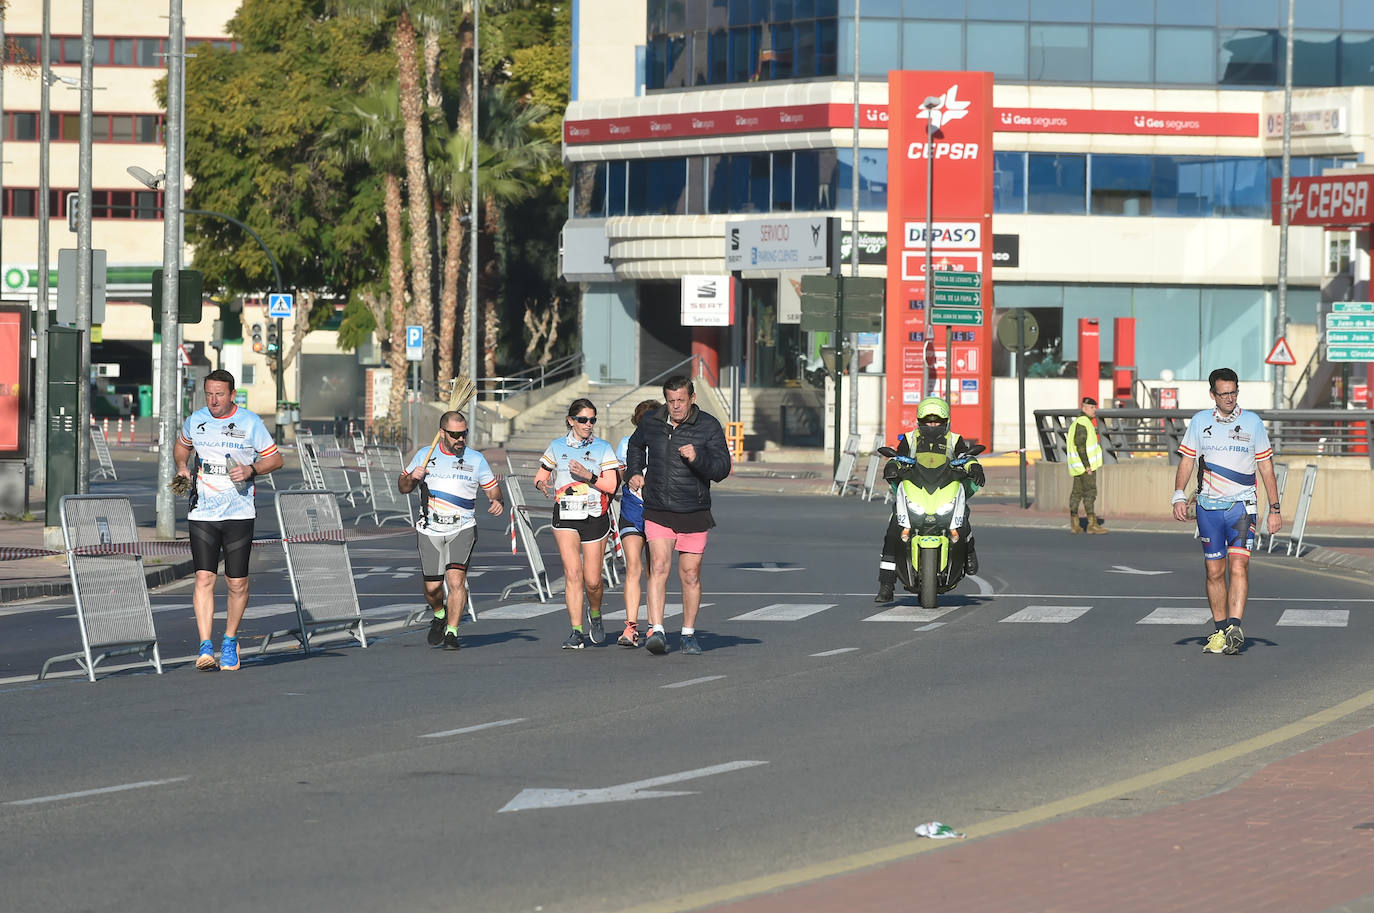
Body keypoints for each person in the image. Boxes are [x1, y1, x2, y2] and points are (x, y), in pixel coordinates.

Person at [173, 369, 283, 672]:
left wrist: (252, 471)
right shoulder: (196, 420)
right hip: (203, 512)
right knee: (203, 578)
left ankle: (230, 639)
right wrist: (182, 466)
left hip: (238, 512)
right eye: (209, 393)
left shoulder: (251, 422)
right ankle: (205, 646)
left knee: (237, 583)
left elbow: (275, 458)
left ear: (232, 395)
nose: (213, 400)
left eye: (219, 394)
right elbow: (182, 446)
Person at [1171, 368, 1282, 656]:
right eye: (1224, 393)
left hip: (1242, 507)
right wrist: (1178, 494)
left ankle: (1234, 626)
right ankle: (1220, 630)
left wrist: (1275, 508)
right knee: (1214, 571)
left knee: (1238, 566)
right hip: (1208, 507)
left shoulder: (1253, 423)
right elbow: (1187, 461)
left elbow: (1266, 467)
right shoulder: (1199, 422)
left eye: (1234, 392)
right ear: (1213, 395)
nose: (1230, 398)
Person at [624, 376, 732, 655]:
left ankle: (687, 634)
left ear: (692, 398)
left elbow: (721, 469)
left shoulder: (707, 426)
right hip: (658, 508)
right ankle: (657, 630)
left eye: (681, 401)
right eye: (671, 401)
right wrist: (634, 471)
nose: (676, 407)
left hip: (694, 510)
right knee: (659, 567)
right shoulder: (651, 421)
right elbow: (635, 446)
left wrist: (698, 458)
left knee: (690, 574)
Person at [398, 411, 503, 651]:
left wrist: (497, 501)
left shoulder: (476, 459)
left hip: (462, 528)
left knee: (456, 580)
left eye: (464, 434)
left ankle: (452, 633)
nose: (460, 439)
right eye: (455, 434)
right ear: (442, 433)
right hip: (430, 530)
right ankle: (439, 613)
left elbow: (493, 490)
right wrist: (413, 478)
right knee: (433, 588)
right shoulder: (425, 455)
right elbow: (403, 487)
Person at [875, 396, 984, 603]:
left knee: (962, 515)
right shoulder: (909, 438)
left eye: (937, 421)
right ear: (919, 421)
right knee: (893, 530)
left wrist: (973, 466)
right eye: (927, 421)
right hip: (916, 489)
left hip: (945, 487)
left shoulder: (955, 438)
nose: (932, 425)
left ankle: (969, 550)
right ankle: (886, 585)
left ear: (946, 422)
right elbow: (899, 457)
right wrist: (892, 466)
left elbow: (965, 456)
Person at [533, 399, 621, 650]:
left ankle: (595, 615)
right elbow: (541, 475)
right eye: (583, 419)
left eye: (592, 419)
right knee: (573, 574)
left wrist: (588, 476)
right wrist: (542, 484)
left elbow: (612, 486)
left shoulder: (603, 447)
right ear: (571, 420)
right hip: (565, 516)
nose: (588, 424)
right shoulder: (556, 446)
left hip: (594, 516)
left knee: (592, 580)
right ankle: (576, 631)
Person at [615, 399, 661, 648]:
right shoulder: (627, 443)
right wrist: (629, 475)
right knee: (634, 567)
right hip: (633, 509)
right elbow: (619, 471)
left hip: (658, 510)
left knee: (656, 570)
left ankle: (655, 626)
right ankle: (631, 627)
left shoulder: (665, 442)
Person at [1068, 396, 1107, 534]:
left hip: (1077, 466)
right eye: (1091, 407)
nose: (1094, 410)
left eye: (1095, 407)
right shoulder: (1083, 423)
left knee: (1076, 493)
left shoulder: (1079, 422)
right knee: (1090, 493)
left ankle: (1075, 524)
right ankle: (1092, 525)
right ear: (1084, 408)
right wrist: (1087, 465)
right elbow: (1081, 445)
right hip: (1085, 467)